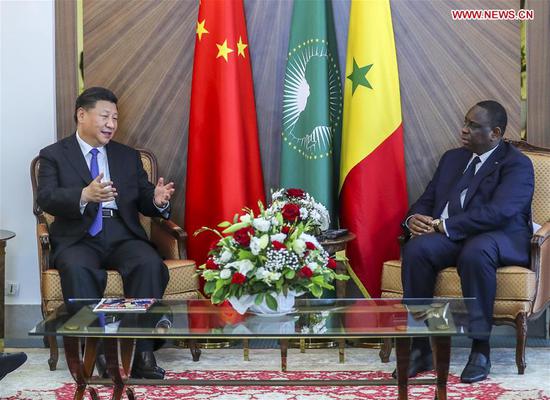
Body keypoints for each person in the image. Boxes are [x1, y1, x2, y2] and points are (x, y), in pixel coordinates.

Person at [37, 87, 175, 379]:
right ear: (82, 115)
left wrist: (157, 200)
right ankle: (97, 350)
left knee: (148, 263)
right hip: (78, 235)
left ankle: (141, 351)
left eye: (115, 118)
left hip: (121, 231)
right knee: (76, 268)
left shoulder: (127, 156)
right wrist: (84, 195)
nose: (111, 124)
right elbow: (46, 198)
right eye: (105, 116)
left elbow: (144, 198)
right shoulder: (53, 155)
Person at [397, 100, 534, 383]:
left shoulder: (517, 164)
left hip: (499, 237)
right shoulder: (452, 159)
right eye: (465, 122)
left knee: (476, 251)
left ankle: (480, 349)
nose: (464, 130)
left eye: (473, 126)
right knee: (418, 249)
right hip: (452, 235)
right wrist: (414, 220)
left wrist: (445, 225)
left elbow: (500, 212)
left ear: (495, 133)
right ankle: (421, 346)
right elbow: (428, 199)